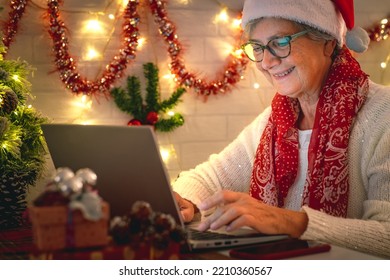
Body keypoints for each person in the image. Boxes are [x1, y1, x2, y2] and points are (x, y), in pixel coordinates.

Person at [172, 0, 390, 258]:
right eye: (258, 47)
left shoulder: (382, 114)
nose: (266, 61)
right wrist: (186, 201)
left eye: (280, 43)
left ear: (328, 42)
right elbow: (208, 178)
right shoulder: (275, 120)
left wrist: (290, 221)